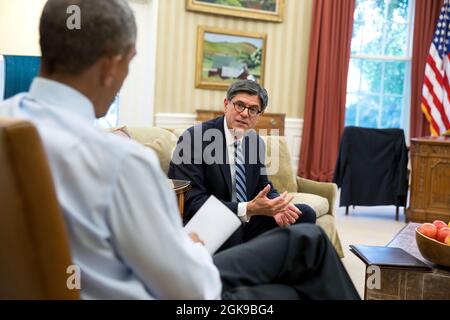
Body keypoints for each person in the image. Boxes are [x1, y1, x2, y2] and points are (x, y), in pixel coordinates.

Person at [0, 0, 359, 300]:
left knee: (304, 232)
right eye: (129, 62)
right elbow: (191, 287)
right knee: (304, 259)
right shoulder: (121, 162)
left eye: (254, 110)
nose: (246, 114)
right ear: (111, 65)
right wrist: (188, 244)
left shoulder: (8, 123)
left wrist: (272, 205)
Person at [168, 80, 317, 251]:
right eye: (239, 105)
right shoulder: (194, 138)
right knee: (231, 223)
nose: (245, 114)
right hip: (204, 223)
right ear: (226, 104)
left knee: (304, 214)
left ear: (259, 115)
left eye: (253, 109)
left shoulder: (255, 142)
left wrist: (277, 205)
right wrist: (245, 209)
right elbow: (191, 202)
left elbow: (262, 187)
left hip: (244, 221)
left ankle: (278, 271)